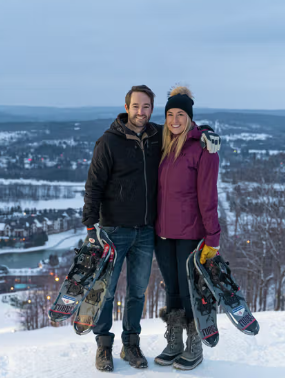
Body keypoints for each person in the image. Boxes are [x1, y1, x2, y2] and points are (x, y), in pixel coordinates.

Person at [82, 85, 220, 372]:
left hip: (150, 231)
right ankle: (105, 346)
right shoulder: (113, 142)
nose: (141, 112)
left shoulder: (166, 138)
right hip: (122, 229)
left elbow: (188, 128)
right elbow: (93, 184)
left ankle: (134, 343)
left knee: (140, 292)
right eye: (136, 106)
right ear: (126, 107)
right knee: (110, 291)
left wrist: (207, 130)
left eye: (146, 107)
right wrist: (90, 225)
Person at [154, 86, 221, 371]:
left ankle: (195, 344)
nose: (175, 120)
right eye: (170, 114)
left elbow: (208, 196)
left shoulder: (203, 149)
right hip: (162, 233)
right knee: (172, 290)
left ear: (190, 117)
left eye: (181, 114)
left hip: (190, 232)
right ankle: (175, 342)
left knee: (190, 290)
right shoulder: (163, 144)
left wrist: (212, 238)